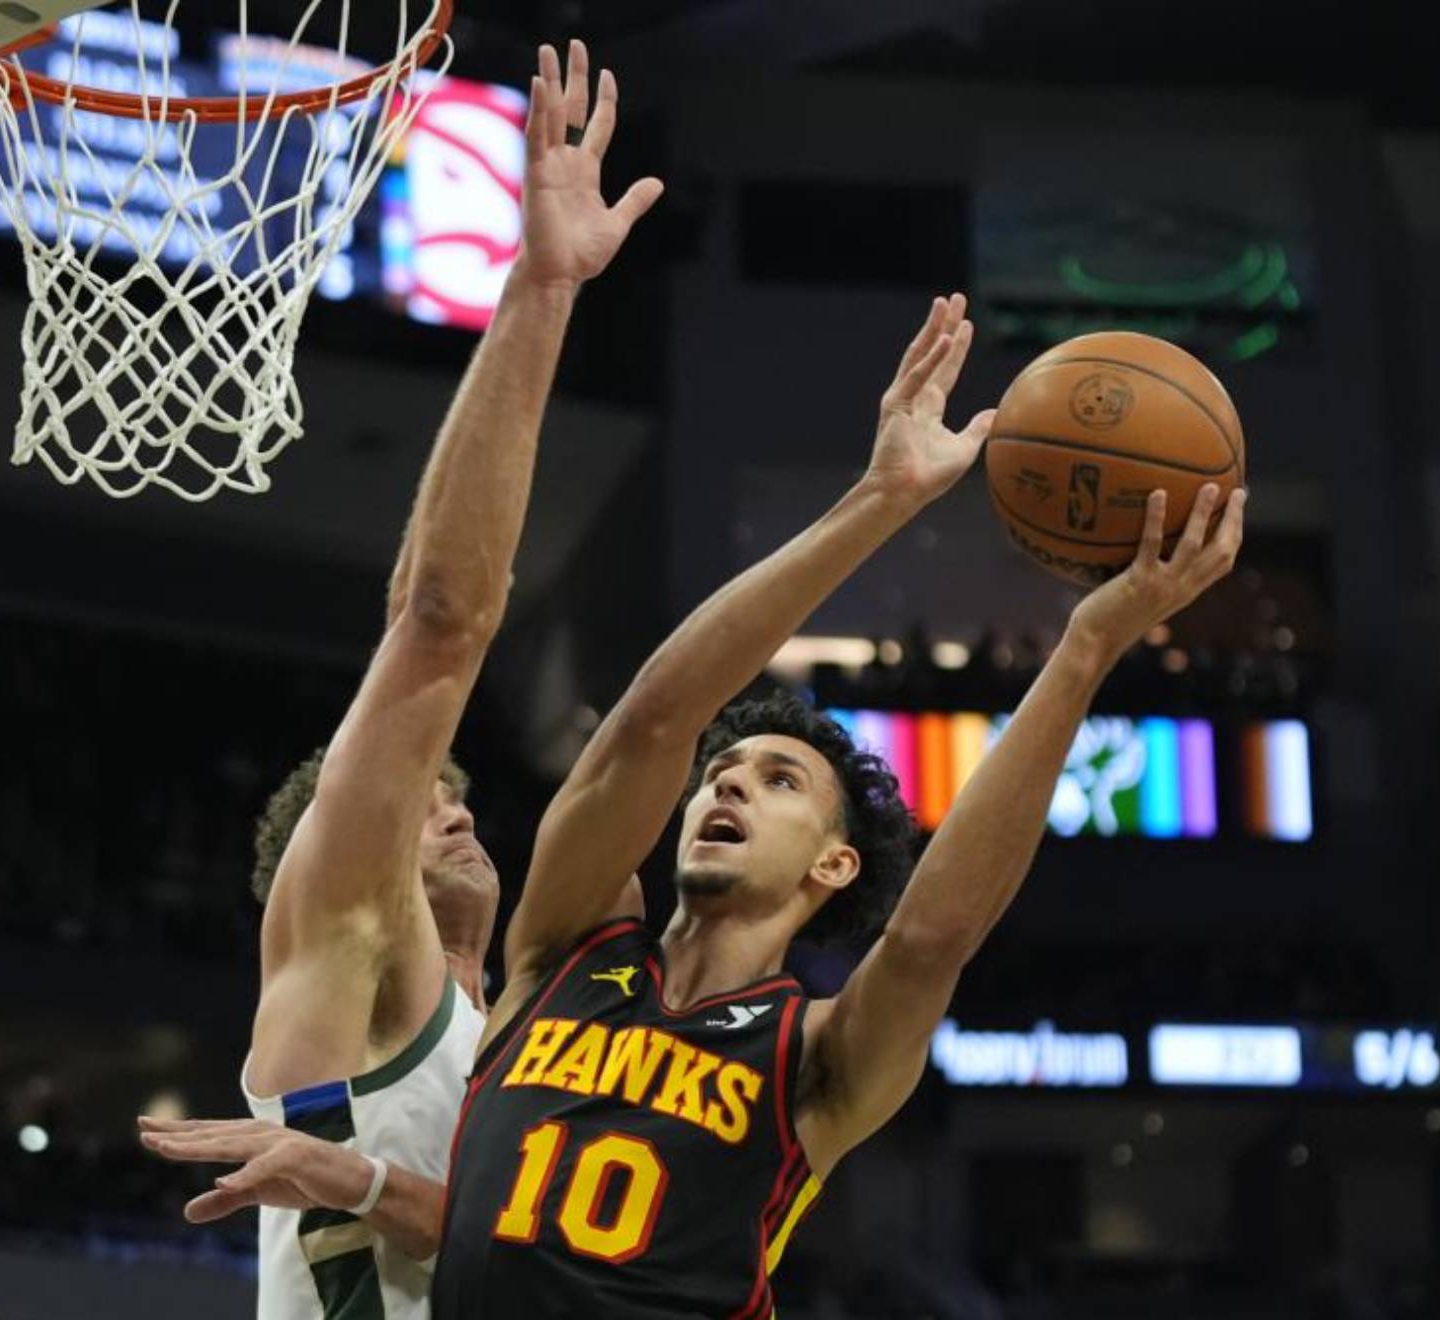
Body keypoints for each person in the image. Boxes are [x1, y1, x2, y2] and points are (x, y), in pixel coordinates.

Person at [427, 293, 1249, 1317]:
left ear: (833, 864)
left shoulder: (816, 1057)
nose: (726, 781)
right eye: (726, 773)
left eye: (781, 783)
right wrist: (881, 498)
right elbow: (650, 725)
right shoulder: (564, 953)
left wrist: (1085, 647)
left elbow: (930, 938)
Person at [143, 39, 662, 1319]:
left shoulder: (533, 1031)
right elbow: (435, 626)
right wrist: (541, 291)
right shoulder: (346, 939)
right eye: (427, 794)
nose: (457, 806)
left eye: (457, 794)